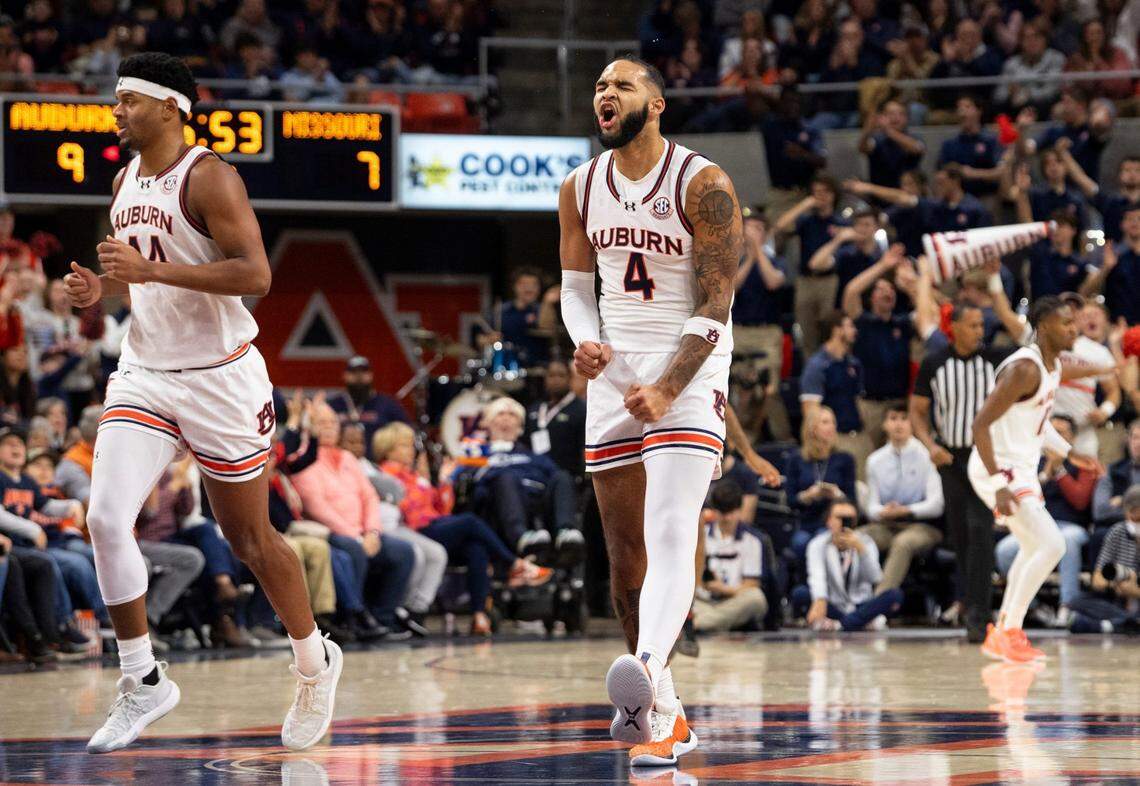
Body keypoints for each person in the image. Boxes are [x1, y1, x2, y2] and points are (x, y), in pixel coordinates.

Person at [62, 53, 341, 754]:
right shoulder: (124, 180)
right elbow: (139, 277)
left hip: (221, 376)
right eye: (116, 99)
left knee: (249, 541)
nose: (116, 110)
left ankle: (314, 662)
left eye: (129, 100)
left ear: (170, 106)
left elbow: (256, 273)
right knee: (103, 518)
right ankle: (143, 679)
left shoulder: (210, 175)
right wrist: (103, 294)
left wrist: (148, 269)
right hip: (147, 371)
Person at [559, 55, 774, 768]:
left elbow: (717, 302)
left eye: (620, 85)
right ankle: (667, 715)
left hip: (692, 361)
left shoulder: (702, 183)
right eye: (598, 87)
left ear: (656, 104)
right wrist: (586, 342)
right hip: (616, 373)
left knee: (673, 527)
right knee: (626, 562)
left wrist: (669, 385)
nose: (605, 95)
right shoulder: (579, 187)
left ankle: (644, 679)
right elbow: (572, 288)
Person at [969, 296, 1102, 663]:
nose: (1073, 329)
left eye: (1075, 322)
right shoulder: (1024, 369)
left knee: (1036, 548)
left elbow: (1037, 424)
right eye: (1065, 323)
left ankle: (1004, 632)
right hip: (996, 465)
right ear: (1043, 326)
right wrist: (998, 484)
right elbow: (980, 425)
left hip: (1018, 465)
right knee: (1052, 544)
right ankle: (1008, 630)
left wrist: (1070, 452)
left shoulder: (1051, 366)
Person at [372, 421, 552, 636]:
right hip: (414, 529)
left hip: (433, 524)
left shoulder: (414, 475)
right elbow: (410, 512)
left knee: (475, 547)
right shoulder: (386, 475)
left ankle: (479, 616)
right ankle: (514, 563)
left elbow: (442, 508)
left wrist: (444, 481)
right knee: (470, 521)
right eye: (406, 446)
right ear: (389, 448)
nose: (412, 451)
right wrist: (423, 483)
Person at [911, 302, 1012, 642]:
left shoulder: (996, 361)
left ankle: (979, 617)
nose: (980, 332)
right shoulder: (934, 363)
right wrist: (930, 446)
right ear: (953, 327)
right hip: (951, 459)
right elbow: (917, 412)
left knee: (980, 532)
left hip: (984, 457)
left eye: (981, 325)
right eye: (972, 325)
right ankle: (971, 605)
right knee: (961, 537)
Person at [288, 403, 417, 638]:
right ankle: (353, 618)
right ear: (310, 427)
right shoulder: (303, 459)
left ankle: (382, 618)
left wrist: (372, 532)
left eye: (332, 422)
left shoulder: (348, 458)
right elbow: (315, 506)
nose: (328, 427)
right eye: (322, 423)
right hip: (330, 531)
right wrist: (355, 536)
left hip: (364, 532)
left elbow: (369, 496)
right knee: (353, 551)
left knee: (403, 552)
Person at [994, 414, 1095, 629]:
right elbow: (1028, 494)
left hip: (1072, 525)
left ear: (1072, 439)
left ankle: (1067, 605)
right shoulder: (1032, 462)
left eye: (1061, 433)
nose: (1054, 437)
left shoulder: (1082, 462)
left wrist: (1060, 471)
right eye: (1052, 432)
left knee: (1065, 542)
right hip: (1037, 526)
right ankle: (1033, 607)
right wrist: (1048, 471)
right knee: (1004, 550)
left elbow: (1080, 501)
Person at [860, 405, 945, 591]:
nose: (898, 424)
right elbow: (871, 506)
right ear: (884, 424)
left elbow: (937, 504)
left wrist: (907, 510)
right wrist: (884, 511)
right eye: (893, 418)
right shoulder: (875, 460)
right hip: (886, 524)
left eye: (904, 418)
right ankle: (853, 599)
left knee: (903, 543)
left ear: (912, 424)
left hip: (922, 526)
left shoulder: (927, 456)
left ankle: (878, 604)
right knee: (858, 538)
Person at [792, 498, 905, 631]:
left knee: (895, 595)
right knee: (800, 593)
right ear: (828, 521)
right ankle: (861, 622)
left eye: (848, 519)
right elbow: (817, 576)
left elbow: (875, 578)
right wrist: (820, 599)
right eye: (839, 518)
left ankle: (840, 625)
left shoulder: (866, 543)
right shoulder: (818, 544)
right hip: (832, 604)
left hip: (860, 604)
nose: (843, 523)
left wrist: (861, 551)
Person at [841, 248, 914, 448]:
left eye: (890, 289)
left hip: (900, 403)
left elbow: (929, 313)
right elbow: (851, 291)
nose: (887, 292)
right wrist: (883, 265)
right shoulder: (863, 322)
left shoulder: (903, 323)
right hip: (870, 404)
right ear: (871, 297)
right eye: (880, 289)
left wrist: (910, 284)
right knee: (873, 456)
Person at [730, 207, 790, 441]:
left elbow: (773, 282)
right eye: (750, 227)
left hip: (767, 333)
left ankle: (782, 437)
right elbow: (732, 287)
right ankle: (740, 440)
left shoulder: (777, 260)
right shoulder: (733, 260)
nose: (753, 232)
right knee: (739, 387)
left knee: (768, 389)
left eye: (759, 228)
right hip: (740, 331)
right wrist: (749, 258)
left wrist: (758, 253)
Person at [773, 174, 847, 355]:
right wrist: (804, 205)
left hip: (829, 280)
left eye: (824, 192)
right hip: (805, 280)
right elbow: (780, 226)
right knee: (806, 329)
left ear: (833, 195)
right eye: (816, 192)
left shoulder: (840, 223)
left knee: (828, 327)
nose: (819, 196)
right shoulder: (806, 221)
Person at [693, 480, 767, 633]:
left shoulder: (752, 540)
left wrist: (726, 590)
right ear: (714, 511)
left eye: (731, 512)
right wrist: (703, 585)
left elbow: (752, 584)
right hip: (704, 600)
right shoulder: (701, 535)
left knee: (756, 599)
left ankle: (700, 624)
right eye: (722, 512)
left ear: (739, 510)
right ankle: (714, 622)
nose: (726, 518)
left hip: (735, 599)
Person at [784, 406, 857, 559]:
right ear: (812, 428)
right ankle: (806, 582)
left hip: (835, 523)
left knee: (821, 539)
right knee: (800, 542)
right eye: (825, 422)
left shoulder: (845, 459)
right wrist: (808, 496)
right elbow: (790, 500)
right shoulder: (796, 459)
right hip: (807, 521)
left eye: (833, 422)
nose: (832, 427)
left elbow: (853, 501)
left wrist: (837, 494)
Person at [1054, 298, 1121, 458]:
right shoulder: (1053, 342)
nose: (1090, 318)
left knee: (1086, 476)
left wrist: (1104, 412)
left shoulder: (1099, 352)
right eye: (1086, 315)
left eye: (1096, 314)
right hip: (1049, 426)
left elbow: (1114, 391)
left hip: (1082, 429)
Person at [799, 311, 868, 465]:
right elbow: (810, 410)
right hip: (835, 441)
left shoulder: (854, 364)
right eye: (849, 326)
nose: (854, 330)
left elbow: (859, 402)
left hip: (858, 437)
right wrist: (825, 442)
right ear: (836, 330)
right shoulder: (817, 366)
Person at [1069, 485, 1140, 633]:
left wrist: (1135, 591)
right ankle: (1127, 623)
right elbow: (1097, 579)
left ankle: (1111, 625)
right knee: (1077, 602)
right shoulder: (1117, 532)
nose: (1135, 520)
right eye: (1133, 515)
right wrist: (1115, 585)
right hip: (1117, 599)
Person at [327, 355, 410, 458]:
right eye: (353, 372)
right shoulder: (332, 406)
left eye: (363, 372)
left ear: (371, 375)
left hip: (378, 466)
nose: (359, 376)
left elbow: (407, 434)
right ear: (345, 375)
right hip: (339, 464)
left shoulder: (388, 405)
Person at [523, 358, 588, 483]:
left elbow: (584, 450)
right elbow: (525, 444)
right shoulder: (534, 409)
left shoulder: (581, 409)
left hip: (566, 477)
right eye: (551, 375)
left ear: (570, 378)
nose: (556, 380)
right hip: (534, 474)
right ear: (545, 379)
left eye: (561, 375)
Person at [1080, 208, 1140, 325]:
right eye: (1130, 219)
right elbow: (1085, 291)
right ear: (1122, 224)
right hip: (1116, 327)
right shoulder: (1109, 252)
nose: (1135, 223)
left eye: (1139, 219)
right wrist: (1106, 268)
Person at [936, 95, 1004, 198]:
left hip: (987, 195)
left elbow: (1000, 172)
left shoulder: (991, 141)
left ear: (979, 111)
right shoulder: (949, 144)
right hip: (958, 198)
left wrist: (973, 173)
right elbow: (940, 172)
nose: (962, 112)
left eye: (967, 107)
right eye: (959, 108)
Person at [858, 98, 925, 190]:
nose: (895, 118)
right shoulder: (877, 139)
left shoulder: (914, 138)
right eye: (891, 114)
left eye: (901, 114)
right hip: (880, 194)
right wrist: (868, 129)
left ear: (907, 118)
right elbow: (863, 148)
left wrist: (887, 130)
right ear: (882, 117)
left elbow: (917, 148)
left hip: (907, 194)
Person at [1093, 419, 1140, 527]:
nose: (1138, 443)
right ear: (1128, 441)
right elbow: (1100, 512)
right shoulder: (1112, 470)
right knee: (1099, 536)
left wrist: (1122, 500)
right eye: (1135, 437)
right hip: (1118, 527)